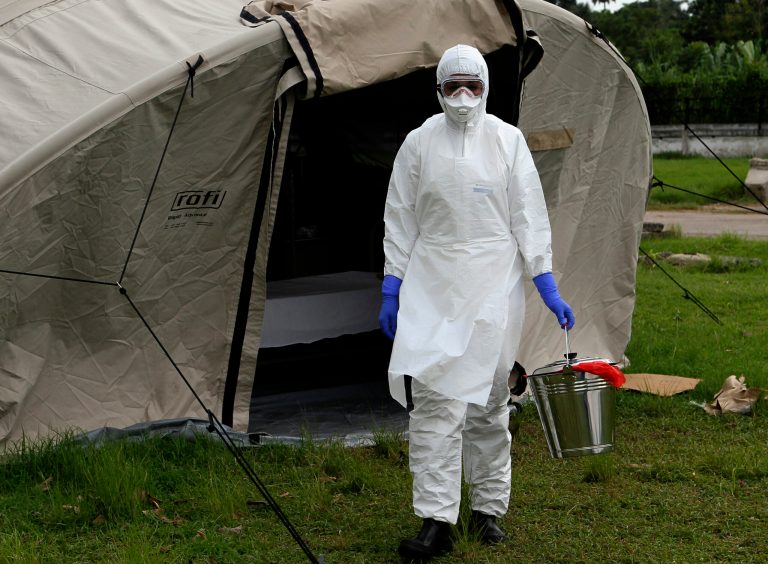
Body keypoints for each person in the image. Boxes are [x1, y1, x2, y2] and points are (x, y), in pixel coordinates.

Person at [378, 44, 575, 561]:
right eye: (452, 87)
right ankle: (436, 520)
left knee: (489, 404)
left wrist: (544, 279)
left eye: (473, 86)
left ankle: (487, 511)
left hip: (493, 282)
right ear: (438, 89)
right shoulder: (419, 143)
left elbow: (528, 214)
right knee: (435, 405)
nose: (463, 97)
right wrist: (392, 284)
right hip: (432, 281)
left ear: (487, 88)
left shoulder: (507, 141)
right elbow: (400, 217)